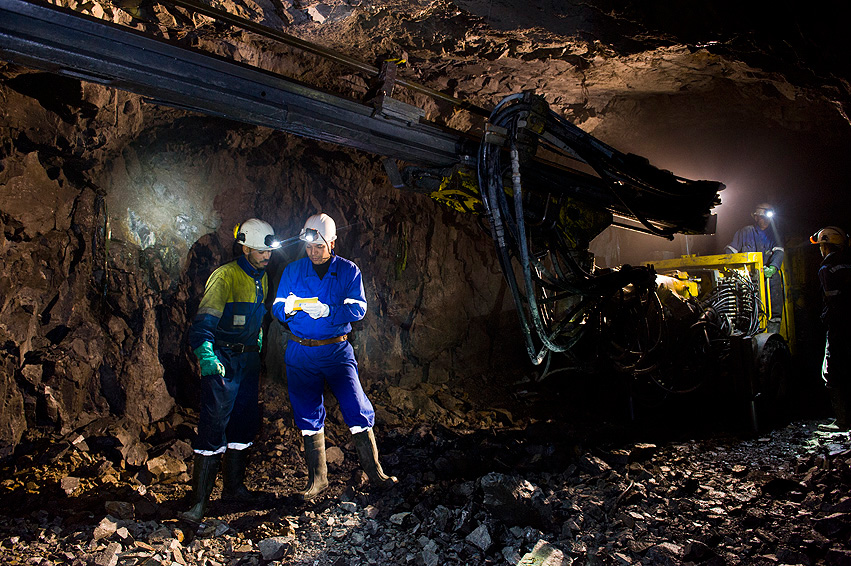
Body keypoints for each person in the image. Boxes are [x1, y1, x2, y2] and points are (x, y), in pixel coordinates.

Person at [272, 213, 396, 501]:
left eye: (320, 247)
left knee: (355, 404)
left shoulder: (348, 271)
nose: (314, 253)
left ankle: (375, 472)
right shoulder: (293, 270)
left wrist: (329, 310)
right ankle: (317, 480)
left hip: (336, 350)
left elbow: (358, 309)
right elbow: (277, 309)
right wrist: (288, 308)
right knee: (306, 410)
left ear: (332, 243)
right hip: (300, 350)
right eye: (310, 248)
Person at [181, 218, 280, 523]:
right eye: (261, 251)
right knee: (213, 426)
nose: (266, 256)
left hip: (248, 361)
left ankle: (234, 489)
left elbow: (258, 312)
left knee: (243, 425)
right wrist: (207, 356)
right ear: (245, 247)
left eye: (269, 251)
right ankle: (198, 503)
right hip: (223, 359)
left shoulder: (261, 278)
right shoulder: (224, 277)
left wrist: (258, 336)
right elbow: (204, 324)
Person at [811, 226, 851, 432]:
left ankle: (843, 420)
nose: (820, 249)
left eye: (821, 245)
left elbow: (834, 300)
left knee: (832, 369)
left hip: (839, 326)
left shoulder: (827, 268)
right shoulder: (848, 263)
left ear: (826, 246)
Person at [725, 203, 785, 327]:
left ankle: (773, 331)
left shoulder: (774, 233)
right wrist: (730, 265)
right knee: (748, 308)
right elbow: (731, 250)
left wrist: (773, 268)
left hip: (769, 279)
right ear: (756, 217)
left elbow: (779, 251)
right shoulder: (745, 232)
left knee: (773, 307)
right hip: (749, 279)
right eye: (761, 217)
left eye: (766, 217)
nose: (764, 220)